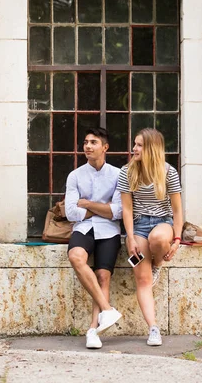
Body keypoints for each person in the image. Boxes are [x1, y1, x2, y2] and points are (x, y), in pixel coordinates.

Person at [117, 128, 182, 346]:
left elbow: (177, 210)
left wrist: (178, 239)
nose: (134, 149)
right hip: (138, 225)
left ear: (152, 148)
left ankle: (157, 265)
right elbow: (126, 209)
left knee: (158, 239)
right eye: (134, 144)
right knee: (143, 280)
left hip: (163, 222)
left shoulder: (168, 172)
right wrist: (130, 237)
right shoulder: (127, 172)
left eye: (139, 145)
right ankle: (153, 329)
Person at [65, 127, 123, 349]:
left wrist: (88, 204)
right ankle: (108, 311)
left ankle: (93, 330)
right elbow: (72, 213)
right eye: (85, 142)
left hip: (109, 231)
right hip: (83, 228)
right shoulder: (75, 175)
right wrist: (102, 208)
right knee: (76, 257)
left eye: (93, 142)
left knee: (103, 276)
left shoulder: (118, 175)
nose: (87, 146)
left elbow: (117, 212)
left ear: (105, 147)